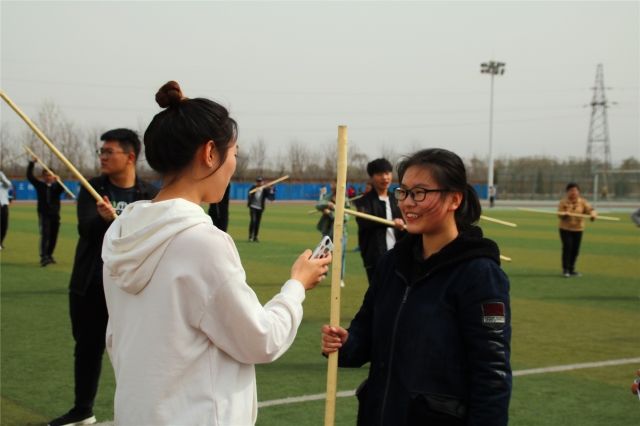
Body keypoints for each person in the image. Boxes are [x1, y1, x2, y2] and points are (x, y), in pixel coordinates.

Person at [102, 81, 331, 426]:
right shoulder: (201, 241)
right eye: (234, 153)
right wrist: (297, 285)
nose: (233, 164)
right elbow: (261, 339)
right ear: (210, 153)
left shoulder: (120, 232)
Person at [322, 148, 512, 426]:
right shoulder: (392, 264)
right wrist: (344, 342)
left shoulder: (480, 274)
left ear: (454, 199)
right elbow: (365, 333)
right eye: (404, 192)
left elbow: (492, 374)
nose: (407, 203)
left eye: (420, 193)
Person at [47, 128, 158, 426]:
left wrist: (120, 222)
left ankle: (145, 414)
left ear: (130, 157)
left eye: (109, 152)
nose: (103, 157)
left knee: (137, 352)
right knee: (87, 348)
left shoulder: (148, 195)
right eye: (102, 152)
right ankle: (83, 410)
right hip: (91, 285)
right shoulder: (92, 187)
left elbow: (151, 238)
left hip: (131, 289)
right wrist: (103, 220)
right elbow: (86, 229)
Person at [352, 158, 405, 286]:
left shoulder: (398, 199)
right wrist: (391, 222)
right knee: (378, 295)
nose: (385, 177)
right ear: (372, 177)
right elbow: (365, 222)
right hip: (375, 257)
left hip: (398, 256)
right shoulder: (364, 202)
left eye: (387, 173)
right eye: (380, 174)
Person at [26, 159, 65, 266]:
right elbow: (30, 176)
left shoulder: (56, 187)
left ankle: (49, 255)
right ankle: (43, 257)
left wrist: (59, 181)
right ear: (43, 176)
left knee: (54, 235)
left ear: (53, 176)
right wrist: (31, 164)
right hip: (44, 214)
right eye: (46, 175)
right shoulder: (40, 185)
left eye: (50, 175)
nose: (48, 177)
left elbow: (61, 190)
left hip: (55, 215)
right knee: (45, 235)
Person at [558, 182, 597, 278]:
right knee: (567, 248)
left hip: (578, 229)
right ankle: (565, 270)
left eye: (575, 190)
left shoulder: (583, 202)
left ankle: (572, 269)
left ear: (579, 192)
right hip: (565, 229)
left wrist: (593, 214)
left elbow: (591, 210)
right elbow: (559, 214)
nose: (573, 192)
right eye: (571, 190)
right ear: (567, 192)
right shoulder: (563, 202)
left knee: (575, 250)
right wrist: (564, 214)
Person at [316, 183, 350, 287]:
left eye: (334, 183)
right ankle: (322, 273)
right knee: (323, 253)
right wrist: (328, 205)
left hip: (340, 234)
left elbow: (345, 218)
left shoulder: (345, 200)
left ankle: (340, 279)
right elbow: (318, 205)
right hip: (327, 232)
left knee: (340, 256)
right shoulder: (329, 196)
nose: (332, 185)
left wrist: (330, 213)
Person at [247, 176, 275, 242]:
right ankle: (250, 236)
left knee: (257, 223)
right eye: (258, 182)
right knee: (253, 221)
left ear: (262, 182)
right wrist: (254, 191)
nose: (259, 183)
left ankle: (255, 237)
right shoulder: (253, 188)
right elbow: (249, 194)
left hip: (260, 208)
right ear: (256, 182)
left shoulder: (265, 190)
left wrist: (271, 190)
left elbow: (271, 198)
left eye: (260, 182)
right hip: (253, 207)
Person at [0, 170, 12, 250]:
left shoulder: (4, 184)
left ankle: (0, 242)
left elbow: (8, 183)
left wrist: (0, 174)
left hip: (4, 206)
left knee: (4, 226)